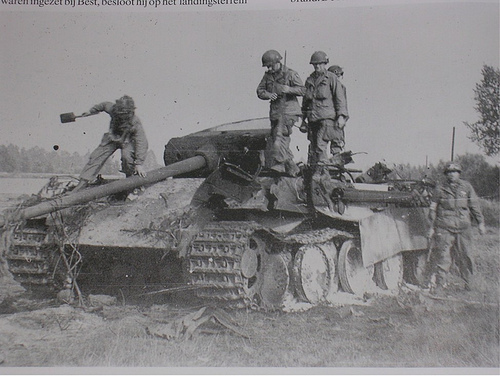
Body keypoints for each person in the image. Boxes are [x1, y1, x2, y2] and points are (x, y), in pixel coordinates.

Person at [427, 162, 486, 293]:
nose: (452, 174)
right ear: (446, 174)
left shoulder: (467, 187)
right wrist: (431, 227)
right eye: (449, 172)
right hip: (444, 227)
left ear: (459, 173)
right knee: (443, 256)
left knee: (466, 255)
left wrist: (480, 223)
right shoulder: (440, 188)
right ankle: (440, 284)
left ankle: (468, 284)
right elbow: (433, 209)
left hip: (463, 227)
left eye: (455, 172)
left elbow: (474, 206)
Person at [72, 95, 148, 194]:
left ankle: (131, 183)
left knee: (127, 157)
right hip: (113, 137)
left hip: (127, 140)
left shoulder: (135, 122)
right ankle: (81, 186)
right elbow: (104, 105)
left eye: (124, 114)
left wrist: (139, 163)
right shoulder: (112, 109)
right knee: (96, 156)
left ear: (129, 112)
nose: (121, 116)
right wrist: (91, 111)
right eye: (120, 113)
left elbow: (142, 142)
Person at [257, 49, 305, 177]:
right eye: (267, 66)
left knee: (280, 136)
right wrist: (268, 94)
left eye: (270, 65)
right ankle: (292, 168)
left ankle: (279, 165)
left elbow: (302, 90)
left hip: (289, 112)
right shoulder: (267, 76)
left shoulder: (290, 74)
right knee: (276, 138)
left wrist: (289, 89)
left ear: (277, 62)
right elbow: (260, 90)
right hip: (275, 113)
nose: (269, 68)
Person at [301, 52, 349, 178]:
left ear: (325, 64)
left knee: (321, 145)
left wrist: (341, 116)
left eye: (320, 64)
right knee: (314, 146)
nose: (317, 67)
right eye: (315, 64)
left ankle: (322, 173)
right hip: (313, 119)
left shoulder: (331, 78)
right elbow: (305, 102)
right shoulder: (309, 80)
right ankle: (320, 171)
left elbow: (340, 98)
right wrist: (303, 121)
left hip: (327, 118)